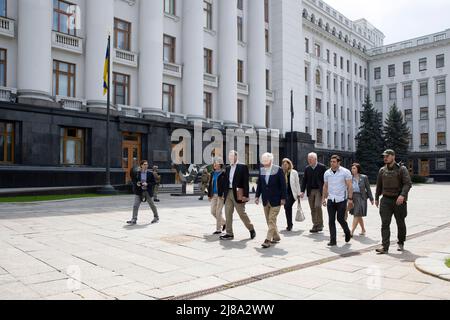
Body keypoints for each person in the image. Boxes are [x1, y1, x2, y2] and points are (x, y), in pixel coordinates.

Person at [375, 149, 412, 254]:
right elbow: (379, 185)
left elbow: (408, 183)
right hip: (386, 200)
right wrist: (377, 197)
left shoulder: (402, 169)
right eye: (384, 156)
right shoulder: (382, 170)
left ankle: (401, 242)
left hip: (398, 201)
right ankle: (385, 246)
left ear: (393, 156)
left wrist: (402, 195)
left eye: (387, 156)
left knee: (400, 223)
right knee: (385, 223)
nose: (385, 158)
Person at [220, 150, 256, 241]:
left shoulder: (243, 167)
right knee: (228, 213)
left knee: (241, 214)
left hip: (238, 193)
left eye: (232, 156)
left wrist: (245, 195)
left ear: (236, 157)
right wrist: (224, 193)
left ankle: (251, 228)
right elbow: (225, 181)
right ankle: (229, 233)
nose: (230, 158)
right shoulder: (227, 168)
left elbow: (245, 182)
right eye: (229, 157)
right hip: (228, 192)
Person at [255, 153, 287, 248]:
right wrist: (257, 196)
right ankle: (276, 237)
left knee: (271, 220)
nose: (264, 163)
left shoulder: (278, 170)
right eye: (263, 161)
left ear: (271, 161)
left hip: (276, 199)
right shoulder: (262, 170)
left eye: (266, 161)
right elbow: (260, 184)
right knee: (269, 220)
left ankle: (268, 240)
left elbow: (283, 185)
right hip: (265, 199)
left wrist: (283, 198)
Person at [322, 155, 353, 246]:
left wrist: (350, 199)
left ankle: (347, 232)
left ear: (339, 162)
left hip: (341, 199)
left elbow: (350, 186)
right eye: (331, 161)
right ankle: (333, 240)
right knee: (331, 220)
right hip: (331, 199)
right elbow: (325, 186)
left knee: (340, 218)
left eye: (334, 162)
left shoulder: (345, 172)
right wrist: (323, 198)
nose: (332, 163)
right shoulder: (327, 173)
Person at [300, 153, 327, 233]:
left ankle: (320, 224)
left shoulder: (322, 167)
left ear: (315, 159)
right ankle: (315, 225)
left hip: (319, 190)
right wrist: (302, 191)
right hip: (310, 190)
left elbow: (326, 180)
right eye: (308, 159)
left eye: (310, 159)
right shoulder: (307, 168)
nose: (309, 161)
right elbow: (304, 180)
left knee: (317, 206)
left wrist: (326, 192)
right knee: (312, 208)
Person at [127, 160, 159, 225]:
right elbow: (134, 181)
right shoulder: (137, 173)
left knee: (152, 205)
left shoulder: (150, 173)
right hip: (139, 191)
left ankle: (156, 217)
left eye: (147, 164)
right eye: (144, 164)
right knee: (135, 205)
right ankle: (134, 219)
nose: (146, 166)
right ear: (141, 165)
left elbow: (154, 182)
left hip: (147, 191)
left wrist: (147, 184)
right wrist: (137, 183)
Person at [349, 163, 374, 236]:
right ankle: (363, 229)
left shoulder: (364, 177)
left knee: (356, 214)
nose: (352, 170)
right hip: (353, 197)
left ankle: (351, 232)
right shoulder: (350, 178)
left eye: (354, 168)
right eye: (352, 168)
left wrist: (371, 199)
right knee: (358, 214)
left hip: (361, 197)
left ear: (358, 169)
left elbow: (368, 188)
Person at [281, 158, 302, 231]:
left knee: (287, 206)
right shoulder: (281, 172)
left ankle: (290, 225)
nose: (284, 166)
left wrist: (299, 193)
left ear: (289, 164)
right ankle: (289, 224)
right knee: (287, 208)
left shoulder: (294, 172)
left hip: (292, 193)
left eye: (286, 164)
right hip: (284, 194)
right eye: (283, 165)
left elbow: (297, 183)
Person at [208, 158, 227, 235]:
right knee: (213, 211)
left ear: (220, 164)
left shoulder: (224, 173)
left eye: (217, 163)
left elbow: (225, 185)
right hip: (213, 195)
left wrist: (224, 194)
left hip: (220, 195)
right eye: (214, 163)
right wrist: (209, 195)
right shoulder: (212, 173)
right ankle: (224, 223)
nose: (215, 164)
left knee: (218, 212)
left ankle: (218, 229)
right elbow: (210, 185)